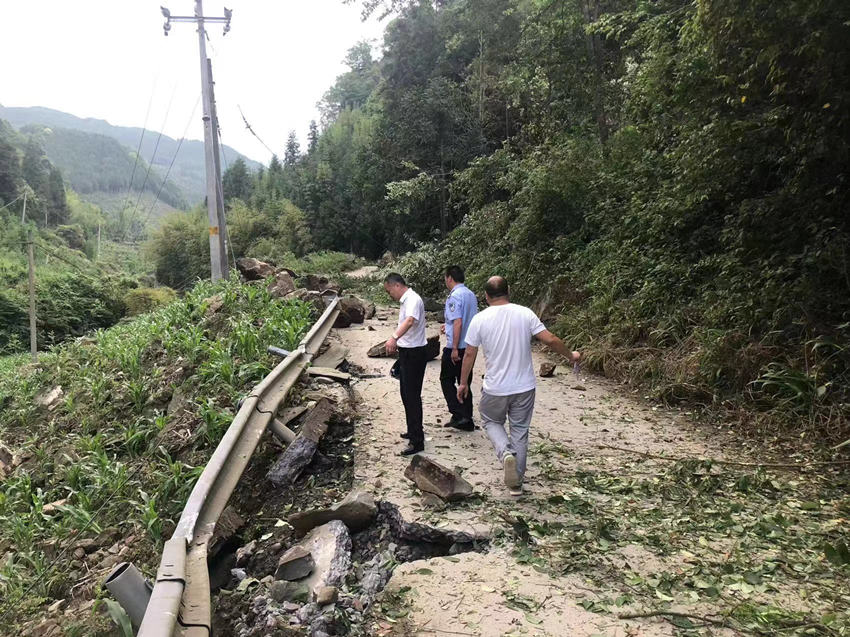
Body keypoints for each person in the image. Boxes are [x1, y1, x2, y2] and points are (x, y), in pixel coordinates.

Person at [457, 276, 579, 495]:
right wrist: (571, 356)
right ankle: (516, 484)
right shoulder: (525, 313)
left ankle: (505, 453)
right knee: (520, 431)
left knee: (491, 421)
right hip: (524, 387)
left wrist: (463, 382)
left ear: (486, 296)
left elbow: (469, 353)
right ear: (508, 291)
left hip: (495, 387)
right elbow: (550, 339)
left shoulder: (479, 319)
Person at [383, 273, 428, 456]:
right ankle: (412, 429)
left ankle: (417, 440)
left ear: (396, 285)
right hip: (407, 351)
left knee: (412, 396)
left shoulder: (412, 299)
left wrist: (393, 338)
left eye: (389, 291)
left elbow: (410, 321)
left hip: (414, 353)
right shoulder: (407, 300)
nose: (390, 295)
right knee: (406, 393)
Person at [440, 265, 478, 430]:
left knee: (446, 379)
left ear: (449, 278)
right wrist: (447, 326)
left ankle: (458, 412)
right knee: (465, 380)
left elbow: (458, 322)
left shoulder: (454, 296)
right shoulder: (471, 295)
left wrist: (454, 348)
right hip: (470, 345)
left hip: (457, 346)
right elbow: (464, 320)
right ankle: (466, 417)